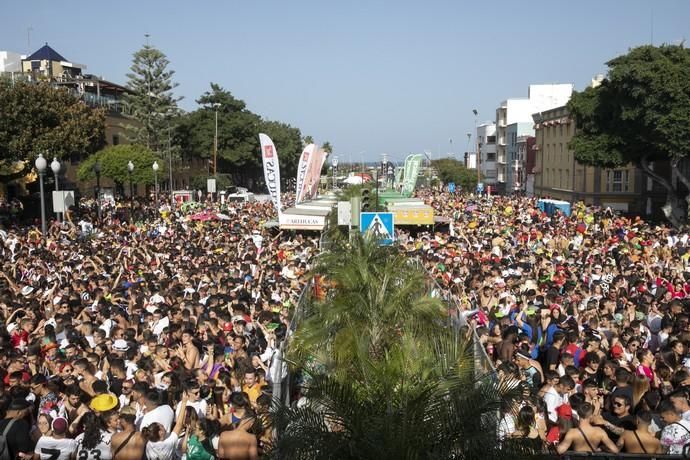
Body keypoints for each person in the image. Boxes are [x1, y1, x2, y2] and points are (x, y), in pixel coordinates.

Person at [143, 395, 188, 460]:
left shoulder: (149, 444)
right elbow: (179, 424)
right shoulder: (168, 443)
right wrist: (184, 402)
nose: (164, 426)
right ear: (160, 432)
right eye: (162, 426)